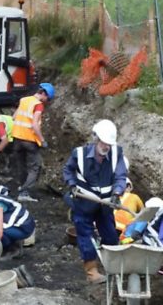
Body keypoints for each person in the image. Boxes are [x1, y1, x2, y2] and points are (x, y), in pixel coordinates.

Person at [63, 119, 128, 284]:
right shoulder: (79, 154)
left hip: (105, 205)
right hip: (84, 204)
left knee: (111, 236)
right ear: (96, 138)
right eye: (103, 142)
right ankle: (92, 272)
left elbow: (121, 176)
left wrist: (117, 192)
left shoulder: (116, 154)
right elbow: (68, 170)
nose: (106, 146)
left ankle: (112, 267)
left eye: (109, 144)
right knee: (85, 236)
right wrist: (71, 185)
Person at [12, 82, 55, 202]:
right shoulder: (38, 105)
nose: (47, 101)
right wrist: (42, 140)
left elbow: (14, 117)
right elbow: (35, 124)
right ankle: (24, 192)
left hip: (17, 138)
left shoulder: (24, 100)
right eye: (48, 98)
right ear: (44, 94)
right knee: (35, 167)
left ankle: (22, 186)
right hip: (29, 140)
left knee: (22, 165)